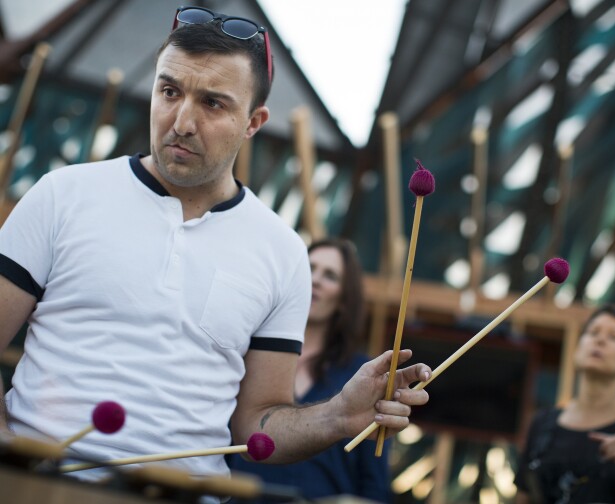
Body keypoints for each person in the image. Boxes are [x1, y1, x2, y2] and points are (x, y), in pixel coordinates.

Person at [0, 4, 431, 491]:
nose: (181, 120)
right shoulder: (61, 195)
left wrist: (335, 416)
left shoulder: (283, 253)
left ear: (254, 121)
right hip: (37, 482)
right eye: (169, 91)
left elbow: (257, 423)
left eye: (213, 103)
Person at [230, 238, 392, 502]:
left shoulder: (364, 375)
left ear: (343, 300)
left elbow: (375, 487)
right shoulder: (245, 355)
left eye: (330, 276)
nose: (314, 280)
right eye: (309, 268)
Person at [514, 305, 615, 504]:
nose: (599, 340)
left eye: (614, 337)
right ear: (577, 350)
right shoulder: (542, 423)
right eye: (592, 332)